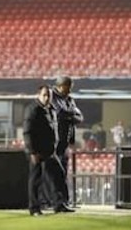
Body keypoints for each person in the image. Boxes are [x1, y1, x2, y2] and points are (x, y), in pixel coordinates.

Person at [23, 85, 69, 215]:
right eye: (44, 95)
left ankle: (59, 204)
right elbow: (27, 132)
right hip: (37, 151)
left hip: (49, 150)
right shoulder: (33, 110)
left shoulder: (50, 109)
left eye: (49, 95)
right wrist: (32, 152)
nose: (47, 98)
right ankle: (34, 208)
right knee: (36, 179)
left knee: (58, 175)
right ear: (38, 95)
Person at [50, 76, 83, 211]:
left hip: (65, 141)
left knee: (63, 172)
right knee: (57, 172)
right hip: (55, 141)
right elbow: (60, 113)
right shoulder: (52, 97)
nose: (69, 90)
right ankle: (56, 201)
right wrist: (72, 114)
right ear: (60, 86)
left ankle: (63, 201)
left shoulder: (69, 99)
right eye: (67, 87)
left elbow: (80, 118)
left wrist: (70, 116)